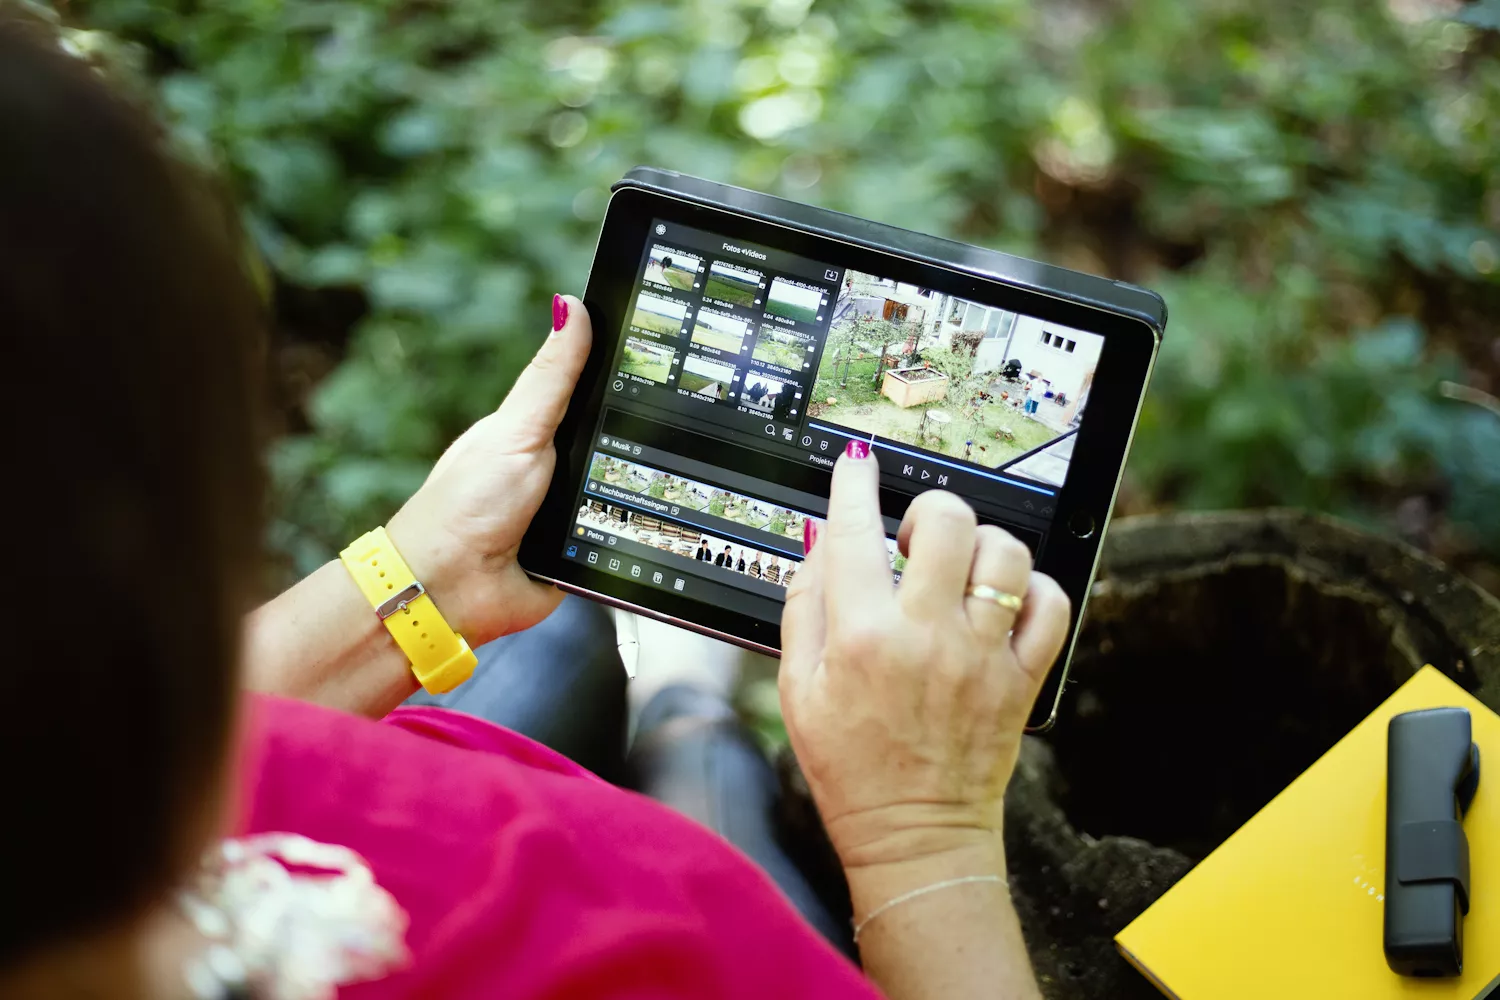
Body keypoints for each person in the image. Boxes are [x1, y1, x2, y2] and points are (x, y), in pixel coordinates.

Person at [1, 16, 1069, 1000]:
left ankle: (669, 691)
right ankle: (685, 715)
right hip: (665, 883)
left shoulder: (67, 799)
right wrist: (917, 833)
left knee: (561, 648)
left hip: (394, 789)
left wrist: (426, 568)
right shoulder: (664, 963)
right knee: (688, 751)